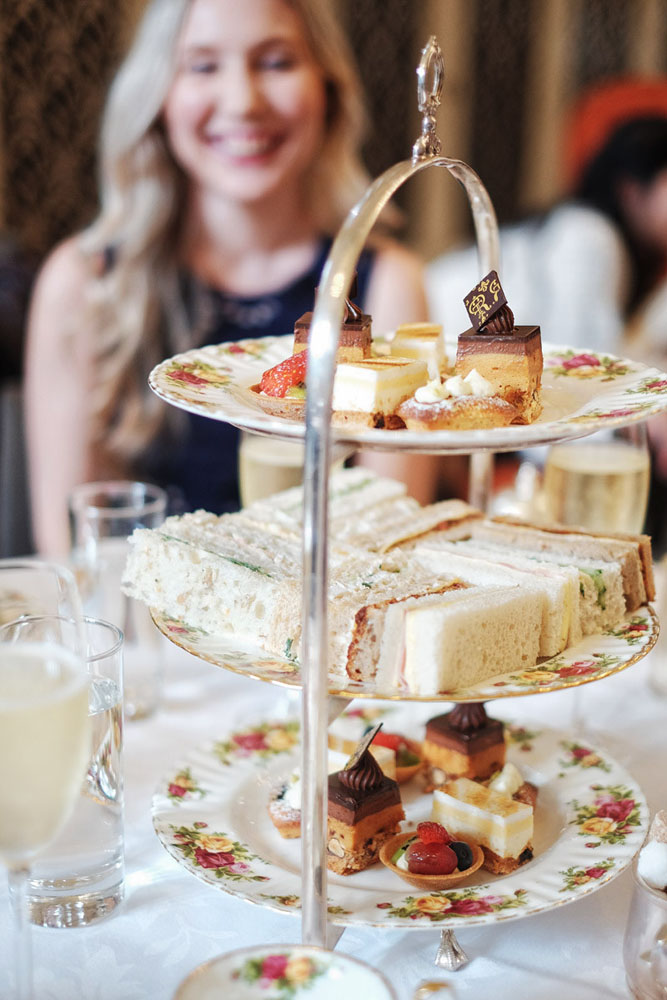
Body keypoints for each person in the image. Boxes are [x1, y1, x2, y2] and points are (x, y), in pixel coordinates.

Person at [25, 0, 428, 557]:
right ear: (158, 93)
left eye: (277, 61)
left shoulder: (389, 285)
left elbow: (392, 556)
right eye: (203, 65)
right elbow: (77, 556)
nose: (243, 102)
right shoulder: (83, 284)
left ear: (328, 88)